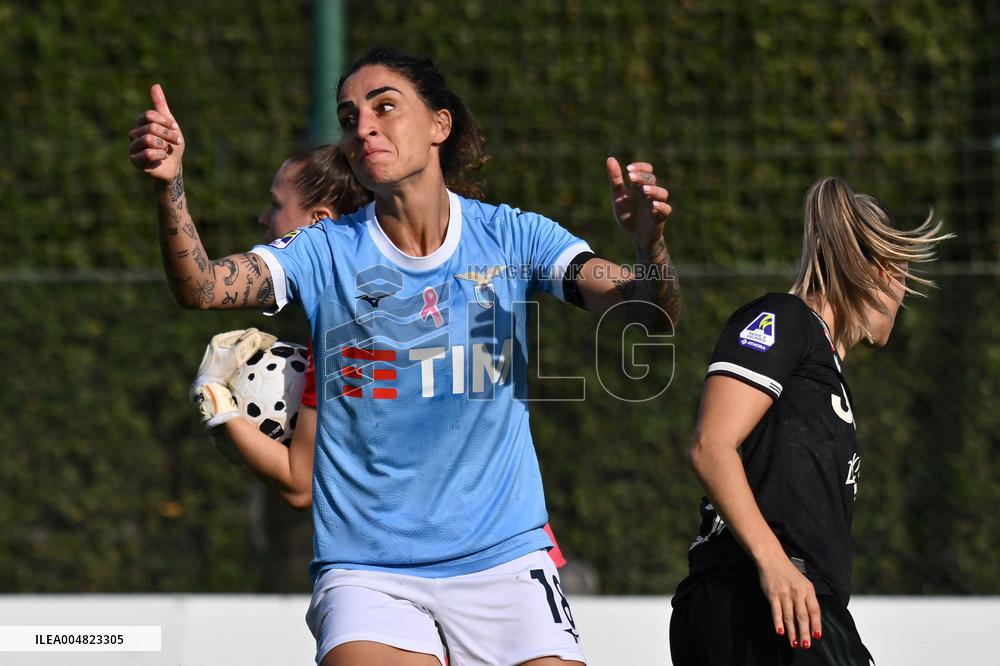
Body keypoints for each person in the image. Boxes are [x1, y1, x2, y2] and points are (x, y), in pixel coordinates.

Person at [130, 45, 680, 666]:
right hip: (369, 572)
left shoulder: (516, 236)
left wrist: (648, 246)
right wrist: (169, 185)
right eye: (348, 117)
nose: (363, 126)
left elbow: (642, 311)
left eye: (384, 107)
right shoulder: (322, 250)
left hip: (504, 558)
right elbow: (201, 286)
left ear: (439, 125)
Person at [189, 146, 569, 572]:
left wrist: (217, 404)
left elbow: (300, 483)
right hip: (497, 548)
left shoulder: (350, 331)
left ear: (319, 224)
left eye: (276, 204)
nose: (263, 218)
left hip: (461, 560)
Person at [669, 177, 951, 665]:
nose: (903, 296)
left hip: (799, 607)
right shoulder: (783, 318)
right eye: (903, 275)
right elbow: (711, 445)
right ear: (881, 269)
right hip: (758, 601)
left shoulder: (825, 370)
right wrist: (774, 562)